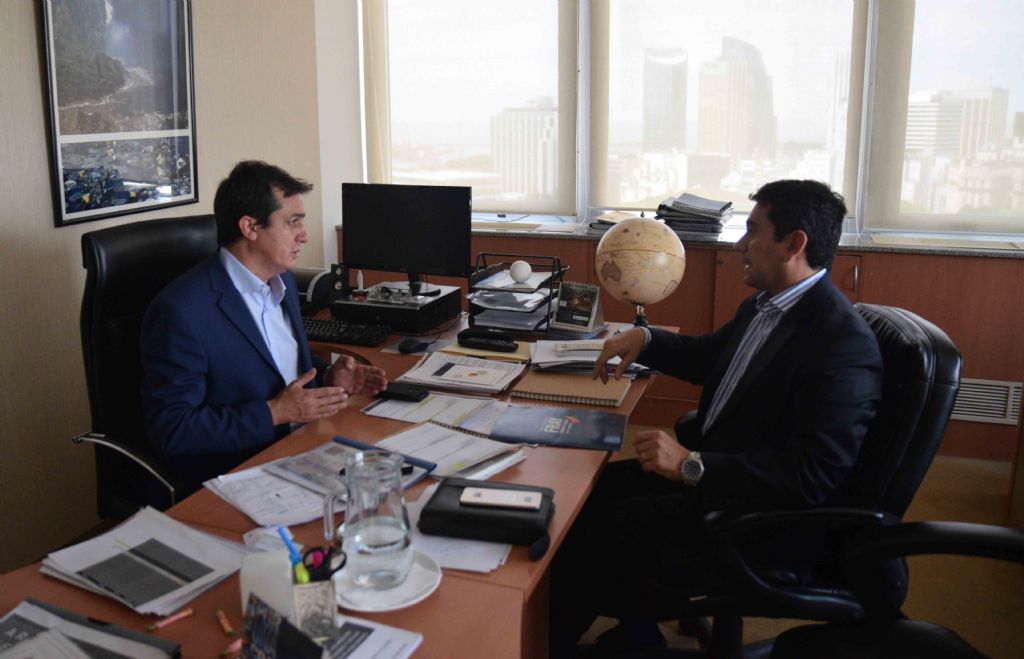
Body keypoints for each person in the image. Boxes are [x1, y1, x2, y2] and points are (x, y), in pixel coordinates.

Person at [549, 179, 884, 656]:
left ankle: (552, 642)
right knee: (583, 495)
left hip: (758, 516)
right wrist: (646, 339)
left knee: (599, 533)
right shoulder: (767, 306)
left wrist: (691, 464)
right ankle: (634, 631)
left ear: (794, 244)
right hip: (720, 476)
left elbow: (812, 475)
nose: (739, 245)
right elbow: (711, 356)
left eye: (753, 231)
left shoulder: (840, 343)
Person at [140, 160, 387, 495]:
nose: (304, 235)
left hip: (301, 448)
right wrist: (274, 413)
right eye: (292, 222)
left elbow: (276, 368)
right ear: (250, 228)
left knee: (388, 483)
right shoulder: (181, 311)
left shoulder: (281, 281)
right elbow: (173, 429)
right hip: (237, 474)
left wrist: (328, 377)